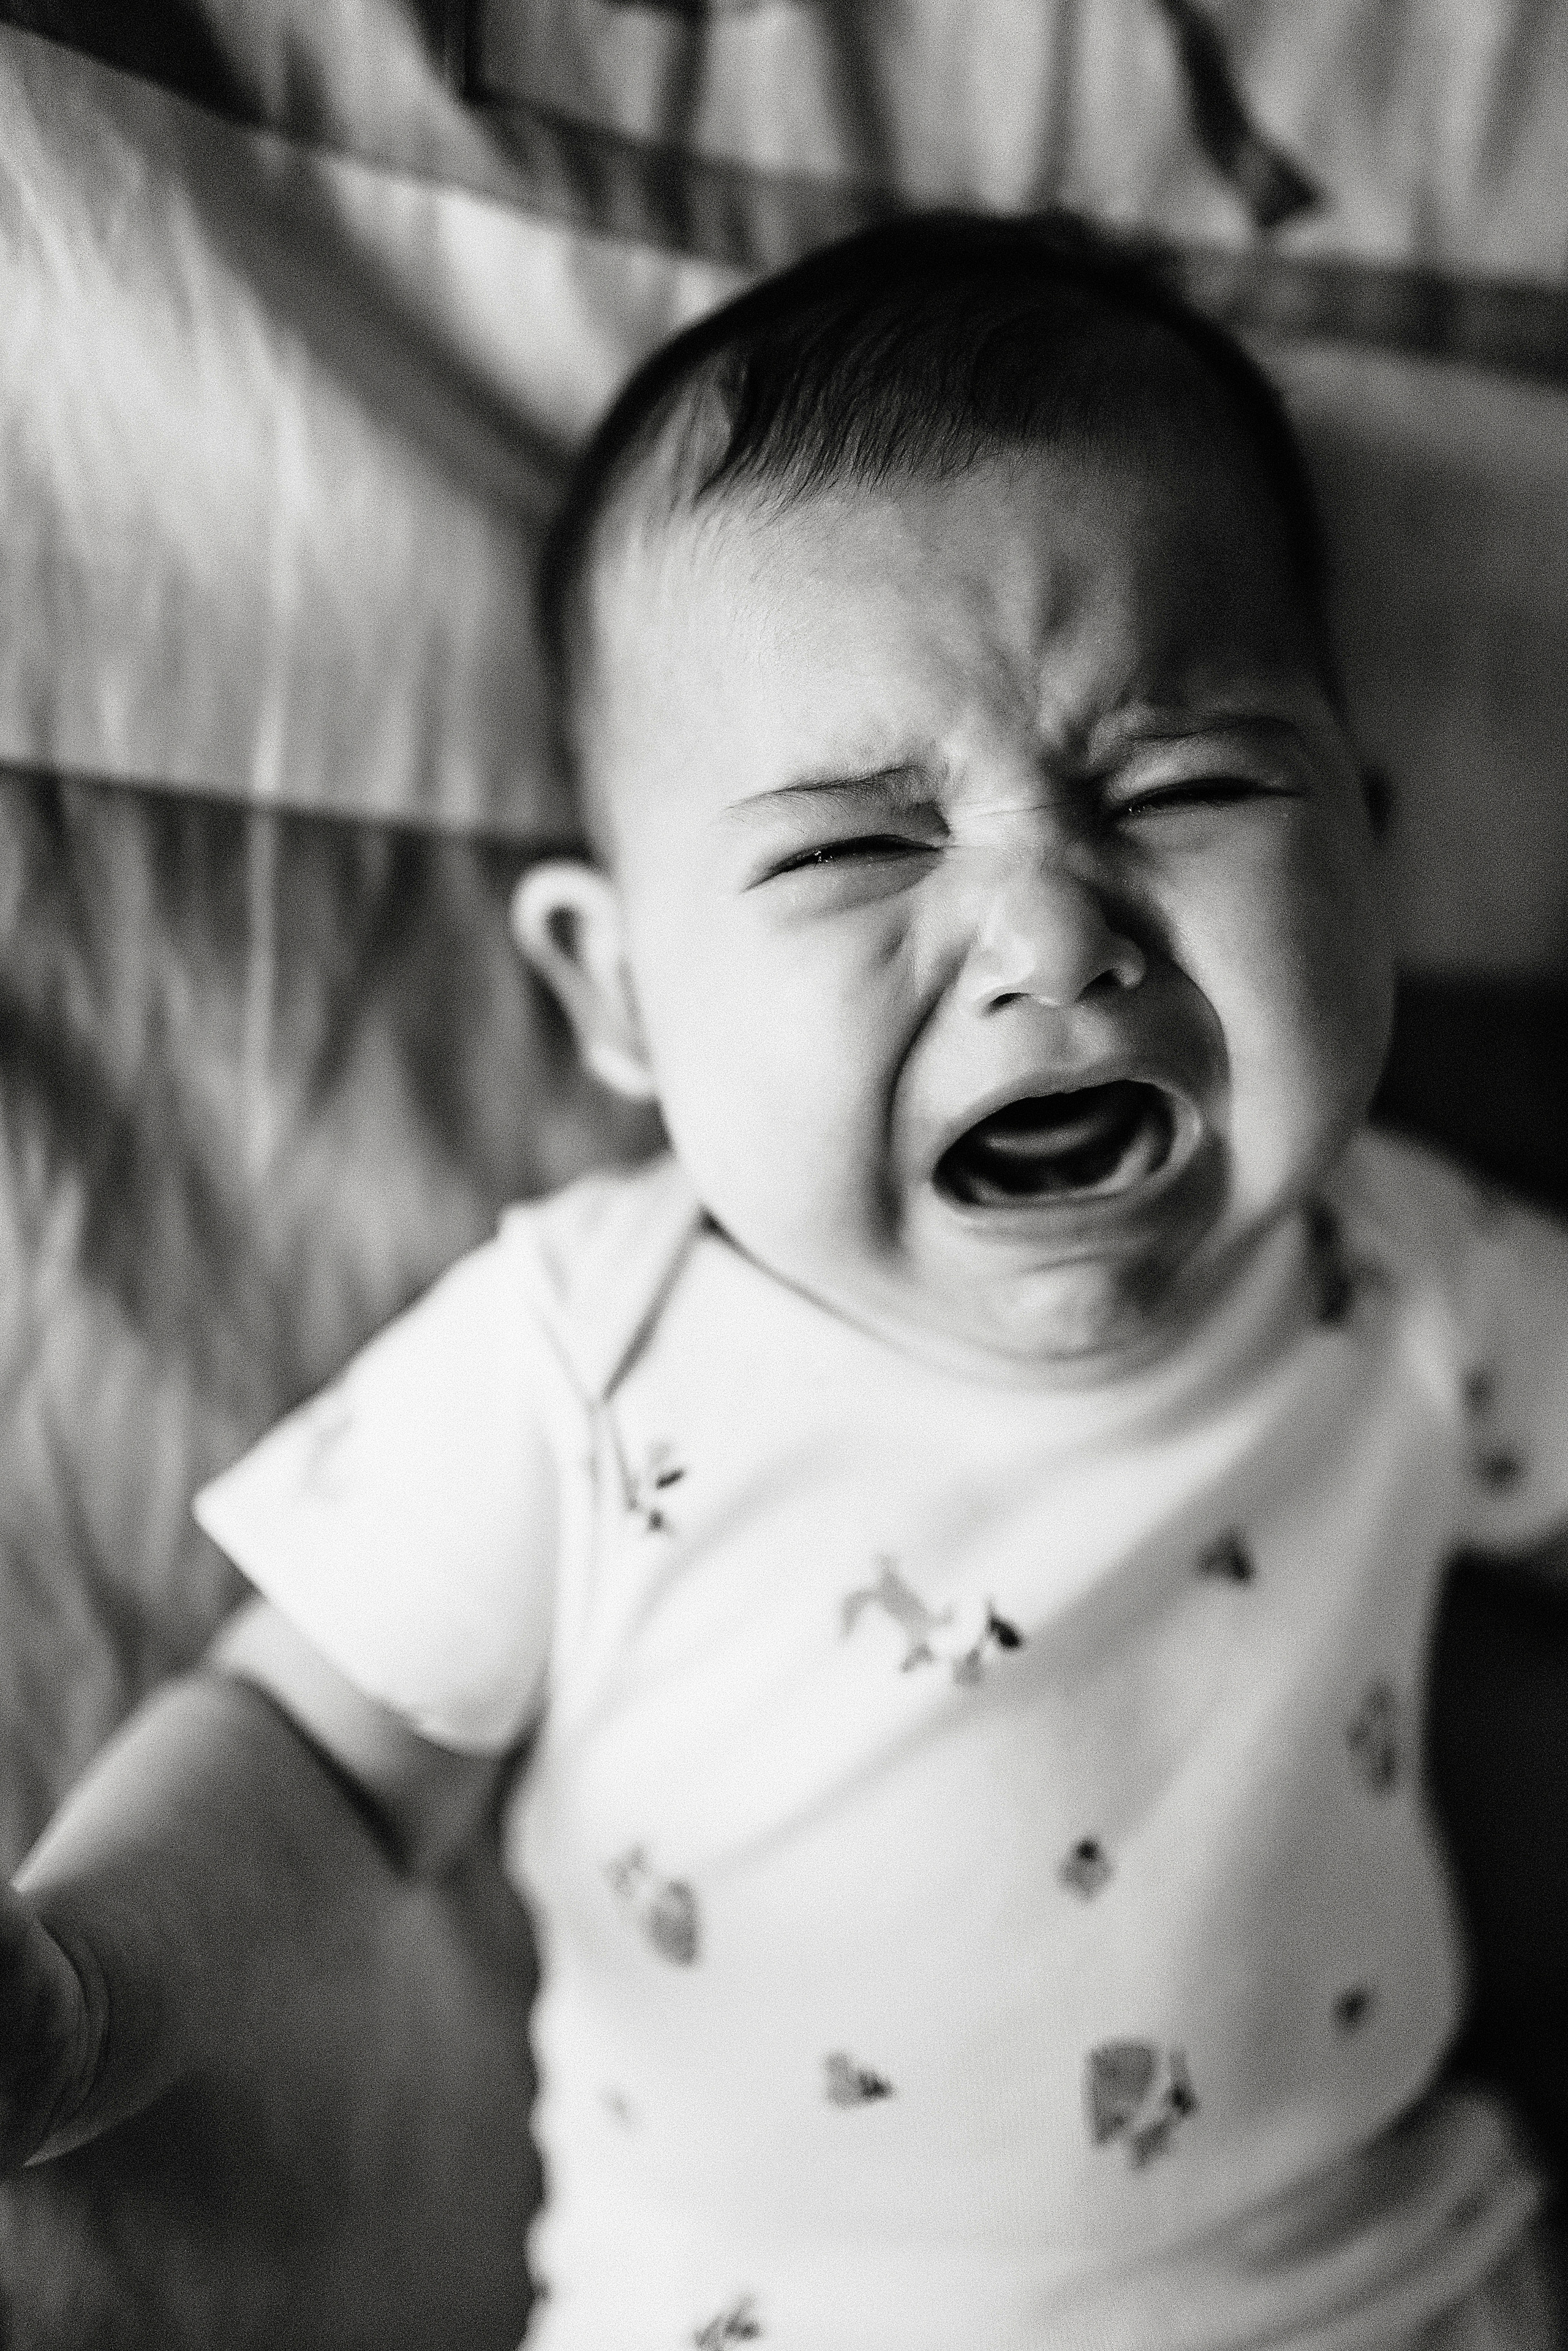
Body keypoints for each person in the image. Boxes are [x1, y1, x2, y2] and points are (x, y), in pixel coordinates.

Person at [3, 214, 1566, 2350]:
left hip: (1383, 2290)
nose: (1049, 938)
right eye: (854, 845)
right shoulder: (587, 1358)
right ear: (620, 990)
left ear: (1368, 861)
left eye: (1185, 781)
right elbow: (315, 1752)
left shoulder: (1408, 1271)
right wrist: (81, 1987)